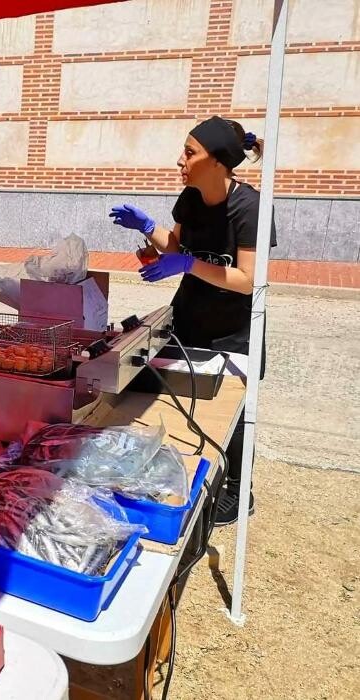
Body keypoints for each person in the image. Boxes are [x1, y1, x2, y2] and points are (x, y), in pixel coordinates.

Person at [110, 116, 276, 527]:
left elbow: (246, 279)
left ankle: (238, 493)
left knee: (234, 415)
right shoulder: (189, 198)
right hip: (188, 320)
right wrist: (150, 229)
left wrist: (187, 263)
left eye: (189, 152)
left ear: (219, 161)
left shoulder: (250, 206)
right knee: (161, 391)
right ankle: (167, 471)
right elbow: (177, 244)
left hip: (235, 330)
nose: (179, 160)